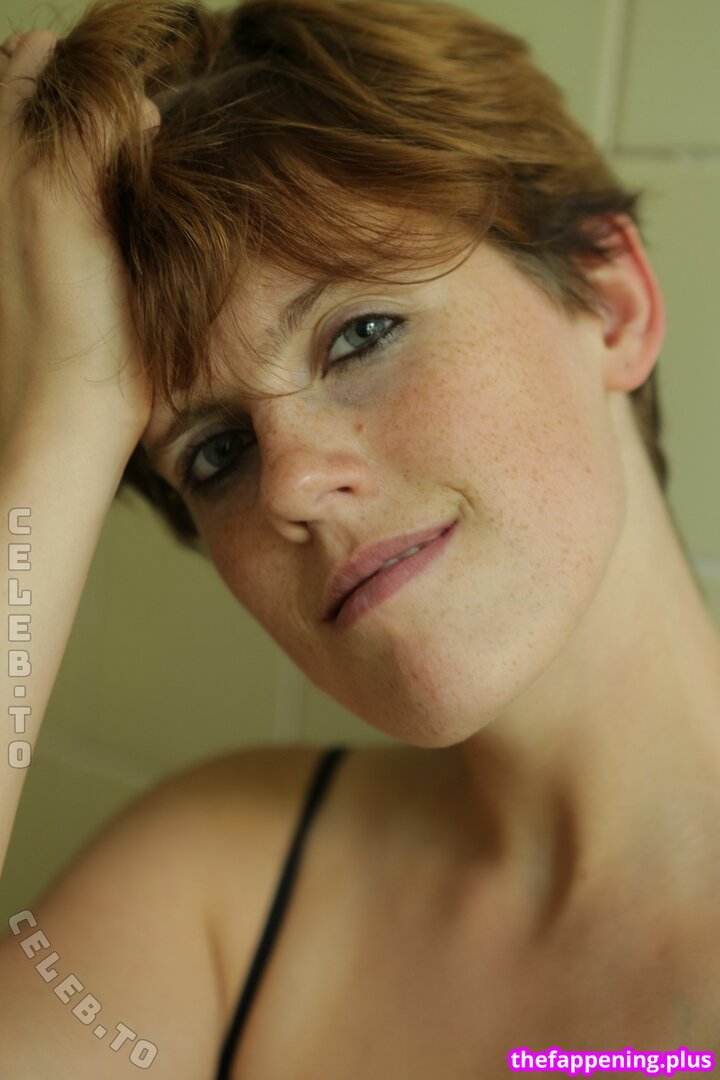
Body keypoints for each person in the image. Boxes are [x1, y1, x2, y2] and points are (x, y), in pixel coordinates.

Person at [1, 0, 719, 1077]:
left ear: (610, 306)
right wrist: (63, 410)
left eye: (362, 335)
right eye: (217, 453)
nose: (291, 486)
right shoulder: (213, 894)